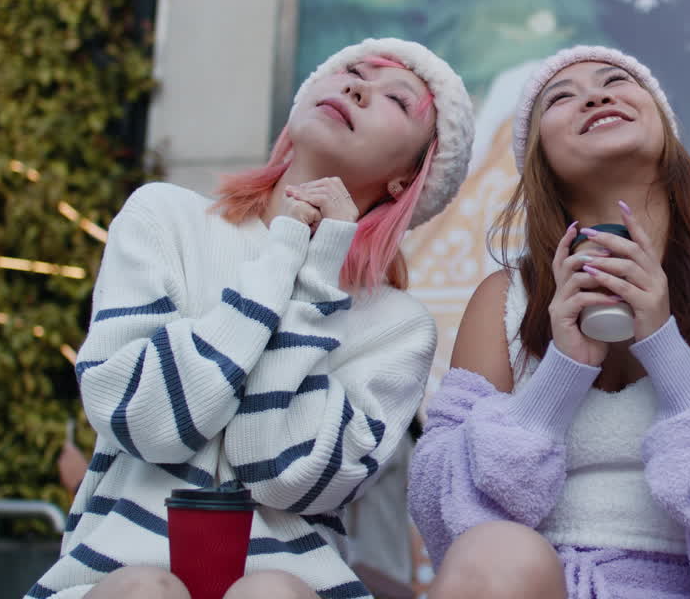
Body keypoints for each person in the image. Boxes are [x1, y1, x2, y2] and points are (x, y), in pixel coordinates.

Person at [28, 38, 475, 599]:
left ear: (408, 179)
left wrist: (315, 275)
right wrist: (285, 250)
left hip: (291, 584)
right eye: (351, 72)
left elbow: (279, 472)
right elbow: (147, 422)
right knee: (141, 589)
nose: (358, 86)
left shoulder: (398, 327)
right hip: (112, 575)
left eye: (397, 100)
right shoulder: (164, 218)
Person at [408, 45, 690, 598]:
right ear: (540, 159)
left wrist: (663, 345)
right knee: (495, 552)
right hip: (535, 583)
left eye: (616, 81)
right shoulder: (506, 298)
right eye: (562, 97)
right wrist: (562, 372)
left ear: (665, 131)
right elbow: (444, 516)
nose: (595, 95)